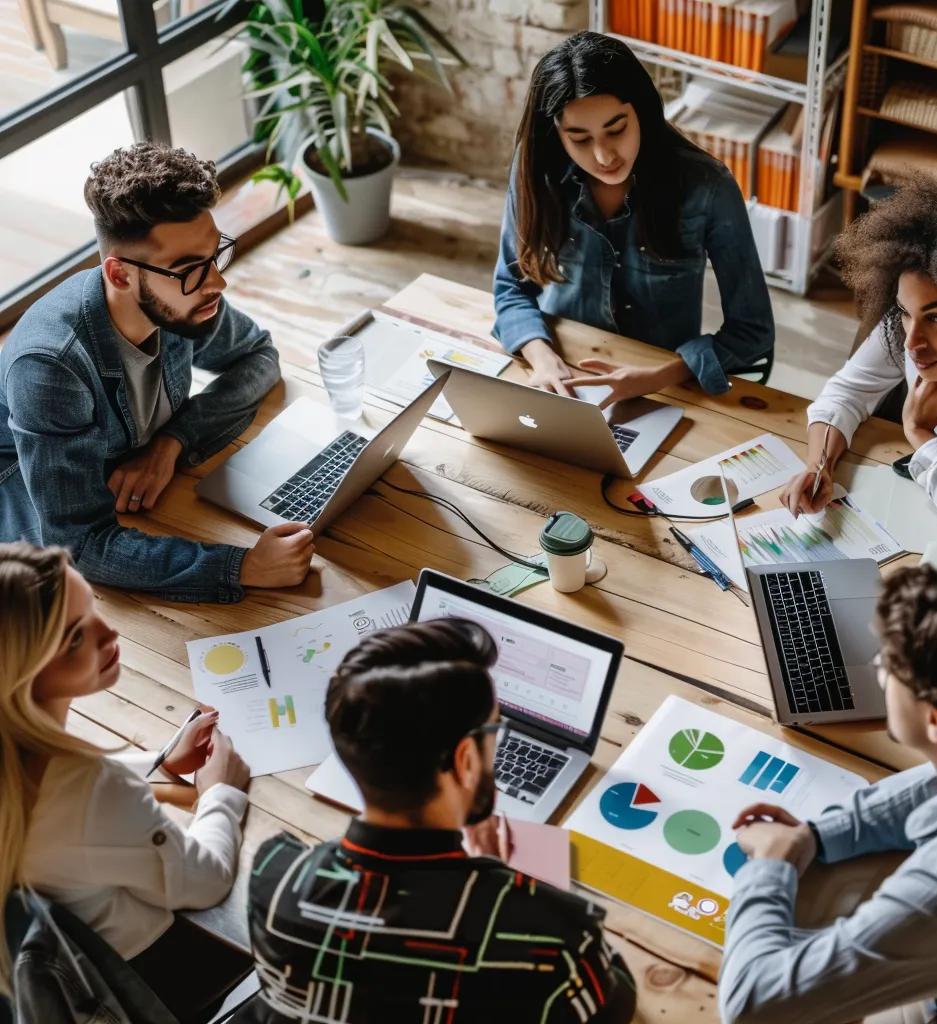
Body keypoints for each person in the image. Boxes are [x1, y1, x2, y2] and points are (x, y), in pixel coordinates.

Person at [241, 618, 636, 1023]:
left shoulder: (274, 875)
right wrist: (512, 889)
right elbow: (615, 1003)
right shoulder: (553, 940)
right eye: (495, 731)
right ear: (465, 760)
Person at [0, 142, 315, 602]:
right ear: (121, 275)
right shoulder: (50, 367)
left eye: (215, 255)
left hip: (132, 479)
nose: (217, 283)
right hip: (29, 505)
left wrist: (172, 443)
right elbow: (80, 544)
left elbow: (259, 357)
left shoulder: (181, 301)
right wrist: (241, 566)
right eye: (189, 268)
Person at [718, 565, 937, 1024]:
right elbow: (933, 786)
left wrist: (769, 866)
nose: (879, 670)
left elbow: (751, 1005)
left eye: (889, 666)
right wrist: (813, 835)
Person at [0, 542, 254, 1022]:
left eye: (92, 604)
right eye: (75, 637)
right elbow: (204, 881)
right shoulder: (92, 789)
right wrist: (222, 791)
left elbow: (71, 801)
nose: (109, 631)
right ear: (22, 673)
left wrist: (157, 763)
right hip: (159, 978)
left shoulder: (18, 754)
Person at [493, 31, 774, 403]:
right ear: (556, 135)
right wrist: (543, 359)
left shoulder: (707, 187)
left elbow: (753, 331)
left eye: (617, 129)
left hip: (664, 388)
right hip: (560, 376)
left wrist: (662, 375)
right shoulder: (535, 170)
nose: (604, 156)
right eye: (579, 138)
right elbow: (511, 288)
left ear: (640, 110)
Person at [780, 164, 937, 552]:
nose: (912, 341)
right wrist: (818, 466)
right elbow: (844, 394)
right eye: (905, 311)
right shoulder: (903, 329)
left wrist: (919, 432)